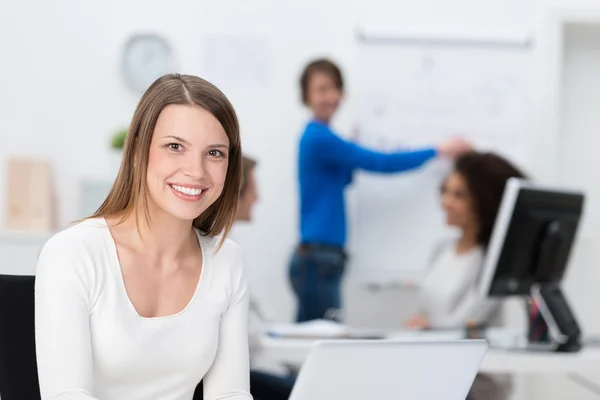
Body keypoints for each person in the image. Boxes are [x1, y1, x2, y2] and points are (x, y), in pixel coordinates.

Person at [34, 74, 252, 400]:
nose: (196, 170)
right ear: (138, 149)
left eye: (215, 153)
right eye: (175, 147)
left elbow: (230, 394)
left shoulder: (226, 259)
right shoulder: (73, 253)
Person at [289, 58, 473, 322]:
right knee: (318, 342)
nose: (330, 96)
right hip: (319, 258)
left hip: (322, 257)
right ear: (306, 95)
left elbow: (342, 180)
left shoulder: (323, 138)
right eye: (321, 89)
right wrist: (438, 150)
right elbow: (381, 163)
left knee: (316, 340)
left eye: (334, 88)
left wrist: (350, 151)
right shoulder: (319, 138)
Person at [405, 151, 527, 400]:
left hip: (476, 381)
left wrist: (429, 328)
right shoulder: (441, 250)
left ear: (482, 201)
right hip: (438, 371)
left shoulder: (492, 261)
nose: (446, 202)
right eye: (445, 191)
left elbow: (466, 324)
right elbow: (426, 311)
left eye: (459, 195)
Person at [194, 156, 294, 400]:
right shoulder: (214, 250)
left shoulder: (227, 248)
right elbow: (244, 337)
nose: (257, 198)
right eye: (254, 189)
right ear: (234, 195)